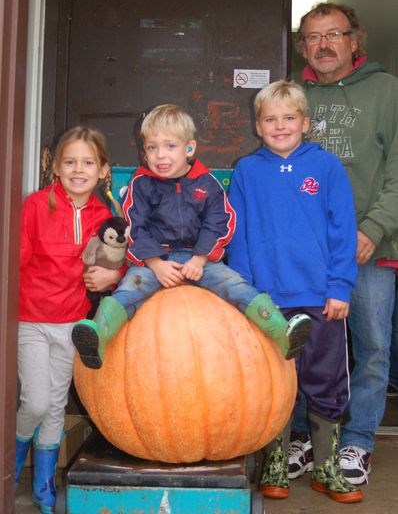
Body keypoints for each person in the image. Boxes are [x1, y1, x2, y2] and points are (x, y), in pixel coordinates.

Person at [71, 103, 312, 370]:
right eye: (152, 148)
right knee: (131, 289)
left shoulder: (206, 183)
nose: (160, 155)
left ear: (189, 148)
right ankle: (99, 336)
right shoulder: (141, 184)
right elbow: (134, 226)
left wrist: (199, 259)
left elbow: (220, 221)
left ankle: (281, 332)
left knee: (235, 285)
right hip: (155, 259)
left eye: (170, 146)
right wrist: (155, 263)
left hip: (201, 258)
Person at [227, 80, 362, 503]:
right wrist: (247, 294)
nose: (280, 126)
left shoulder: (326, 167)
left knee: (326, 378)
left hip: (322, 298)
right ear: (257, 125)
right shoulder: (247, 171)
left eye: (289, 118)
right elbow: (239, 235)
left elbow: (343, 232)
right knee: (275, 382)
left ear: (305, 122)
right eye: (270, 119)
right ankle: (275, 465)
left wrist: (340, 286)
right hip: (268, 301)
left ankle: (326, 466)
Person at [291, 2, 398, 486]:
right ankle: (299, 439)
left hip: (370, 248)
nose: (323, 44)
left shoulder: (388, 91)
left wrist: (371, 229)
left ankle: (356, 445)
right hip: (307, 253)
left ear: (355, 40)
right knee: (300, 342)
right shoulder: (292, 96)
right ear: (304, 47)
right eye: (313, 37)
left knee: (371, 346)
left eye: (334, 34)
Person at [15, 127, 123, 513]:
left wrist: (112, 276)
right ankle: (11, 467)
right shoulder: (35, 206)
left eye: (88, 162)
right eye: (71, 161)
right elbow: (16, 262)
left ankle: (43, 486)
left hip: (71, 322)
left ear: (102, 170)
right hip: (30, 319)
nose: (79, 169)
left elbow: (119, 264)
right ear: (56, 167)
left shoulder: (104, 216)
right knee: (36, 401)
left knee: (56, 404)